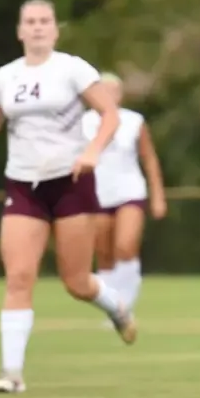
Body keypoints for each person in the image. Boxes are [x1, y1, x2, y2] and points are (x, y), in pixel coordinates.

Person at [0, 0, 136, 393]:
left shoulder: (72, 69)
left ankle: (117, 307)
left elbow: (110, 115)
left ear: (55, 29)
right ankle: (12, 373)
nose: (38, 27)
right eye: (30, 21)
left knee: (76, 282)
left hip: (70, 183)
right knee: (19, 277)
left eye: (45, 21)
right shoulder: (7, 76)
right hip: (24, 187)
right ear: (20, 30)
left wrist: (92, 152)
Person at [83, 73, 168, 316]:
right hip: (96, 194)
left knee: (125, 246)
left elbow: (149, 159)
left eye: (114, 90)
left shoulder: (133, 121)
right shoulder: (83, 123)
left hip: (129, 191)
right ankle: (113, 307)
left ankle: (127, 304)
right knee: (104, 253)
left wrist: (158, 196)